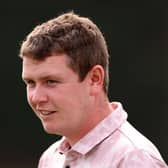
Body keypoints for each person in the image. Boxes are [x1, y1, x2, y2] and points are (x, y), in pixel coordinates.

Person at [19, 11, 167, 168]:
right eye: (30, 82)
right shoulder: (51, 158)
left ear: (94, 79)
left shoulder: (133, 160)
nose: (36, 97)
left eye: (51, 81)